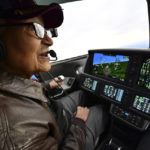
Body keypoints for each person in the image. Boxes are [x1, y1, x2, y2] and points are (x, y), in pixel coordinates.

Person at [0, 0, 106, 149]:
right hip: (64, 137)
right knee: (101, 110)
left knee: (83, 95)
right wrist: (79, 123)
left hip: (52, 112)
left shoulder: (10, 82)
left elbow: (18, 91)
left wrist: (47, 86)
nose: (49, 41)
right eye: (37, 29)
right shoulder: (16, 131)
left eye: (46, 31)